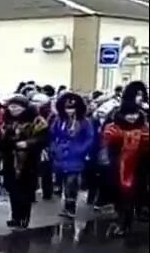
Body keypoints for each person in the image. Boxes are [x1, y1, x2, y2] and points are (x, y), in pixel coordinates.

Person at [0, 95, 49, 228]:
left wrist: (28, 143)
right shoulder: (5, 120)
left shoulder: (37, 121)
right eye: (11, 106)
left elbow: (43, 138)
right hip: (9, 159)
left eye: (17, 106)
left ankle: (24, 217)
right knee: (13, 190)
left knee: (26, 191)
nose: (13, 109)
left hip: (29, 161)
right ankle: (15, 216)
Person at [101, 96, 149, 236]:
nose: (132, 117)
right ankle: (122, 220)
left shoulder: (144, 129)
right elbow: (107, 147)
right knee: (120, 197)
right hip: (117, 169)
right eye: (129, 114)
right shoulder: (112, 129)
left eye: (135, 114)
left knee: (130, 197)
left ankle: (125, 224)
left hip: (138, 169)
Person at [49, 92, 95, 218]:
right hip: (61, 156)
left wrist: (81, 150)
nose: (69, 111)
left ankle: (71, 207)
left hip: (75, 157)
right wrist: (54, 149)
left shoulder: (84, 122)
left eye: (72, 108)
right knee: (63, 182)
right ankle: (67, 207)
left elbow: (90, 139)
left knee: (71, 182)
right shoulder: (59, 121)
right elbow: (52, 136)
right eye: (67, 108)